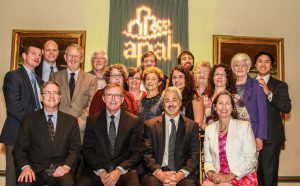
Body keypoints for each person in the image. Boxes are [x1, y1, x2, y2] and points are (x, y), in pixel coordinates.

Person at [13, 81, 81, 186]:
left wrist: (66, 166)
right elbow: (19, 149)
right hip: (35, 169)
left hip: (60, 169)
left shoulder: (71, 121)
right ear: (41, 97)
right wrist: (25, 167)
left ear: (60, 98)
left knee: (68, 183)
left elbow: (75, 149)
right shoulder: (29, 119)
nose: (51, 96)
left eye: (55, 93)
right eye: (47, 92)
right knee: (24, 183)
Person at [78, 83, 142, 186]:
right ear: (103, 98)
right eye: (109, 95)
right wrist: (101, 171)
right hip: (98, 169)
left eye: (117, 95)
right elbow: (87, 150)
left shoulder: (134, 121)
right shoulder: (92, 120)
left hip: (124, 170)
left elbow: (136, 152)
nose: (113, 99)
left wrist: (119, 170)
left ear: (122, 99)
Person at [0, 45, 44, 186]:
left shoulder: (40, 81)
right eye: (33, 53)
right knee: (13, 177)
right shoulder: (13, 76)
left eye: (39, 55)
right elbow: (13, 106)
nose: (37, 57)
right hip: (15, 134)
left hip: (34, 137)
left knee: (28, 178)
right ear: (24, 56)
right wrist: (34, 124)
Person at [142, 86, 200, 186]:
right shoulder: (150, 125)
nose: (171, 104)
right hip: (157, 173)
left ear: (180, 102)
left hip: (182, 173)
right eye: (167, 100)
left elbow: (194, 156)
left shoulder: (192, 126)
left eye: (174, 100)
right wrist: (160, 174)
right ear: (163, 104)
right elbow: (146, 155)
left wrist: (179, 175)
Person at [203, 91, 257, 186]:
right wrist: (211, 175)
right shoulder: (209, 130)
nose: (224, 106)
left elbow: (251, 160)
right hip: (218, 175)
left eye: (227, 103)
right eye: (220, 103)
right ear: (215, 107)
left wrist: (229, 176)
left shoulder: (244, 127)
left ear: (232, 107)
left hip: (241, 175)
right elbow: (208, 161)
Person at [254, 52, 292, 186]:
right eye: (260, 61)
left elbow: (287, 107)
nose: (263, 64)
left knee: (269, 176)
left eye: (267, 61)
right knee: (252, 176)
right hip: (249, 137)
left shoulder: (280, 85)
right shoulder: (248, 83)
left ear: (271, 66)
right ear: (255, 64)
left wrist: (269, 93)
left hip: (271, 137)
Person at [50, 43, 98, 141]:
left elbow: (92, 104)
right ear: (65, 57)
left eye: (76, 56)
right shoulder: (55, 76)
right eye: (70, 55)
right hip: (58, 127)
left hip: (80, 130)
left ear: (81, 59)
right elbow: (50, 101)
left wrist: (79, 122)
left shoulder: (91, 79)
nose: (73, 59)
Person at [231, 53, 267, 152]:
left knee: (250, 166)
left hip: (252, 133)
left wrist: (259, 137)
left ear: (248, 68)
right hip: (232, 135)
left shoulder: (256, 85)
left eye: (243, 65)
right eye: (237, 65)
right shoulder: (229, 86)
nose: (240, 68)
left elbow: (262, 113)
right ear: (233, 68)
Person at [203, 64, 237, 128]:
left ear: (228, 79)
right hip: (209, 136)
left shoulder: (235, 99)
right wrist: (211, 132)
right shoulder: (205, 99)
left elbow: (244, 122)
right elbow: (200, 123)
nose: (219, 77)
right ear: (212, 78)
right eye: (217, 74)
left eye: (223, 75)